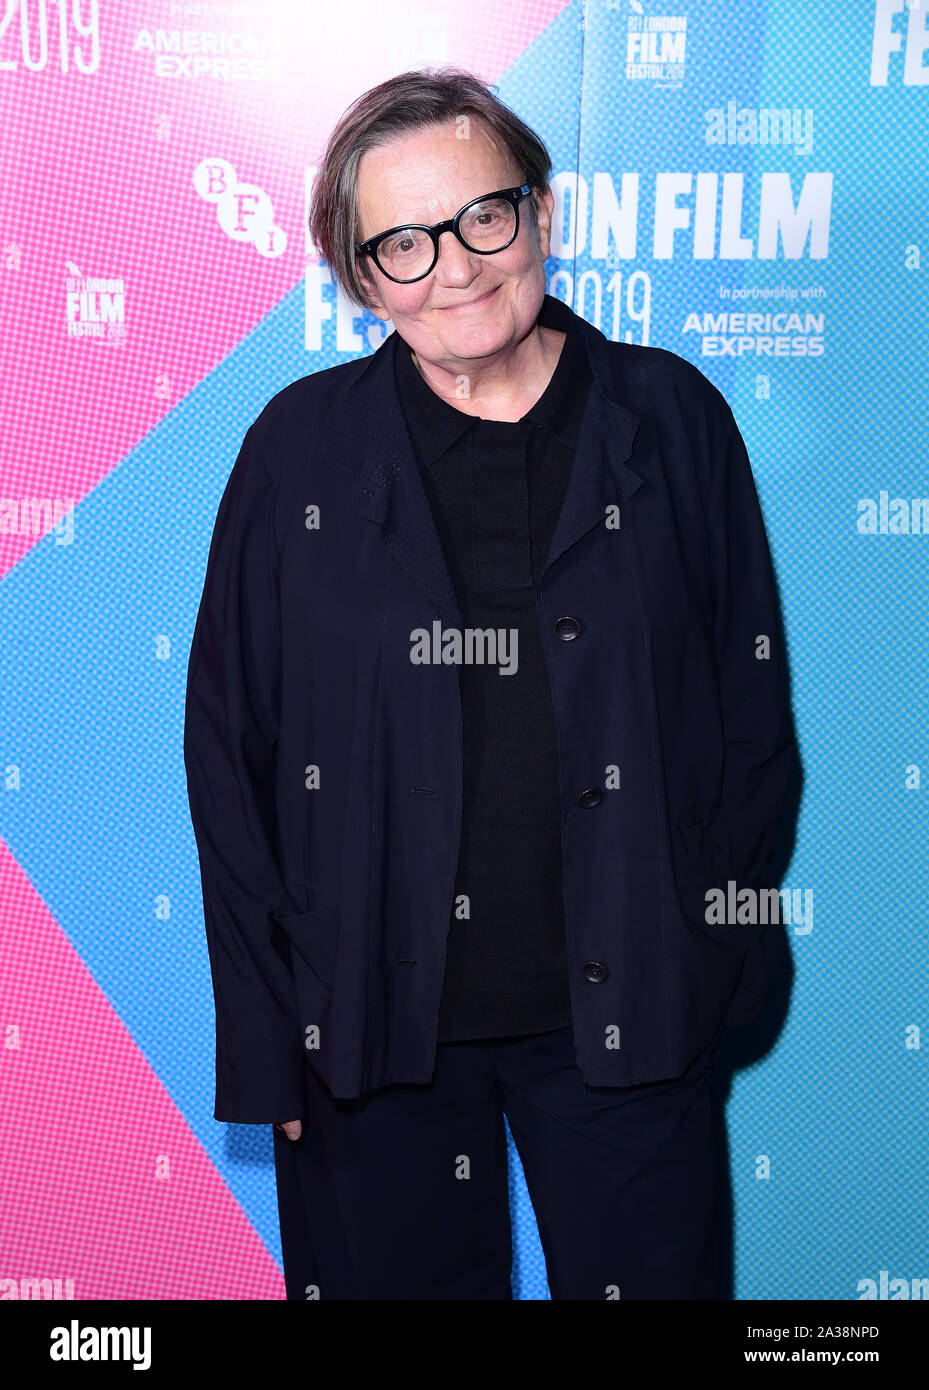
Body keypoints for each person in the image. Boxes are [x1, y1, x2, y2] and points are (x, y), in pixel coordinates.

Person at [183, 66, 797, 1300]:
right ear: (359, 279)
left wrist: (707, 943)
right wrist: (269, 1043)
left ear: (542, 216)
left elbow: (748, 719)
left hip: (630, 1029)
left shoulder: (672, 420)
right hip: (366, 1038)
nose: (454, 266)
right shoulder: (295, 449)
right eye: (401, 244)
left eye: (482, 217)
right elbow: (229, 752)